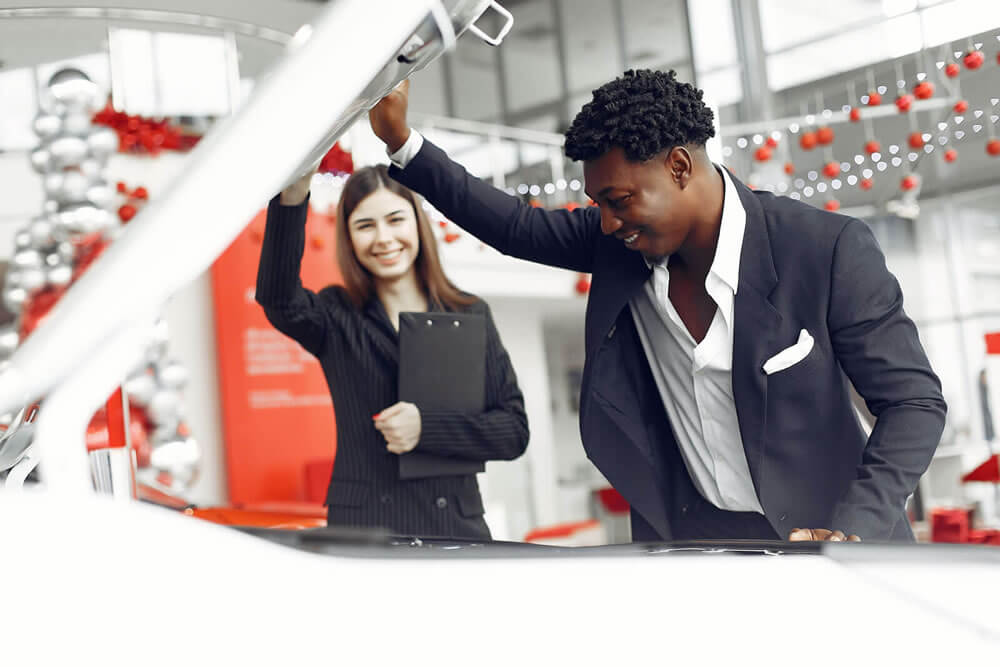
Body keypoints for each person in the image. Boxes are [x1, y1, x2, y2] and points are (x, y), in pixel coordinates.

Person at [368, 71, 947, 543]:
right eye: (598, 203)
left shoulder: (825, 248)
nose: (607, 221)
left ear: (678, 166)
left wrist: (853, 530)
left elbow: (913, 402)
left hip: (832, 543)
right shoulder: (620, 246)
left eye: (619, 200)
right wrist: (400, 140)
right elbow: (513, 225)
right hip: (694, 544)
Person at [256, 163, 529, 540]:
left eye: (395, 219)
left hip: (454, 528)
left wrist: (427, 428)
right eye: (365, 226)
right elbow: (278, 299)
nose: (383, 238)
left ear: (417, 223)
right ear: (348, 238)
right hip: (366, 530)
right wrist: (292, 197)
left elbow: (513, 431)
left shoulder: (468, 312)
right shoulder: (336, 314)